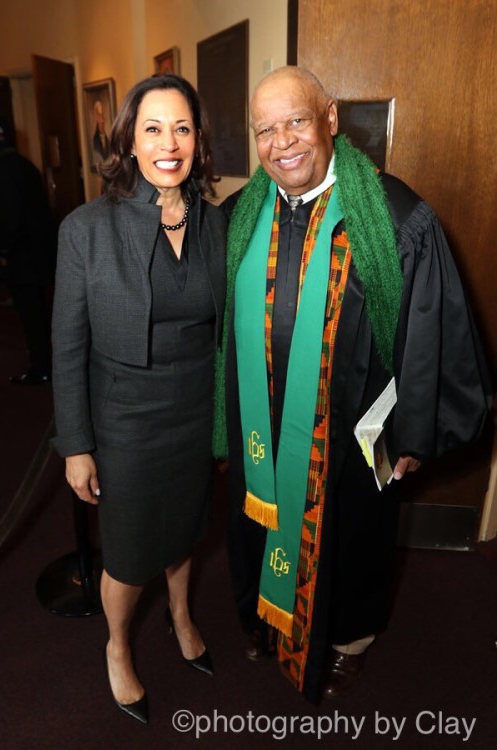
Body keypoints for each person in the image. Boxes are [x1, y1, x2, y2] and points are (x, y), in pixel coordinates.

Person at [213, 66, 491, 703]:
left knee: (355, 538)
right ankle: (265, 614)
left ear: (330, 118)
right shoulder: (239, 217)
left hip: (352, 432)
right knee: (258, 524)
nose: (282, 142)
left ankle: (349, 641)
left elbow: (429, 333)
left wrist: (415, 433)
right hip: (263, 425)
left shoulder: (395, 217)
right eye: (265, 130)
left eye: (297, 121)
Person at [52, 74, 226, 724]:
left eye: (181, 127)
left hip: (194, 413)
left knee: (185, 532)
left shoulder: (216, 222)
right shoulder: (85, 230)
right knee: (127, 555)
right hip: (124, 419)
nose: (168, 143)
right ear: (128, 139)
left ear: (197, 139)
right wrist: (76, 446)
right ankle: (118, 647)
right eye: (152, 128)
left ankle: (181, 614)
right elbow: (66, 348)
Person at [0, 116, 55, 384]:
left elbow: (11, 217)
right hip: (39, 255)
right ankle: (44, 365)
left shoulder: (3, 169)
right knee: (39, 315)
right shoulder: (27, 166)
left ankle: (41, 369)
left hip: (22, 259)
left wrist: (4, 251)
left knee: (32, 318)